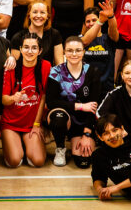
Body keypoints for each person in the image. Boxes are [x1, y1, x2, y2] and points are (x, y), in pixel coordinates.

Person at [45, 36, 109, 169]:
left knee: (83, 161)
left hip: (84, 120)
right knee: (58, 117)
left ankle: (80, 138)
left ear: (83, 52)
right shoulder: (55, 72)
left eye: (78, 50)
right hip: (64, 117)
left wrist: (87, 134)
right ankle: (60, 147)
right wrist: (79, 106)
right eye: (70, 50)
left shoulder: (92, 72)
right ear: (64, 52)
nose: (74, 54)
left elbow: (93, 105)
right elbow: (51, 102)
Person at [0, 34, 51, 168]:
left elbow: (43, 97)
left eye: (34, 48)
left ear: (40, 51)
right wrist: (13, 98)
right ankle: (17, 143)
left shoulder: (45, 66)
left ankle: (28, 142)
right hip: (11, 122)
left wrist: (36, 124)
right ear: (21, 49)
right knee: (14, 161)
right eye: (26, 47)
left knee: (38, 162)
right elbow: (4, 100)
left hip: (31, 123)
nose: (30, 51)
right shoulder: (12, 67)